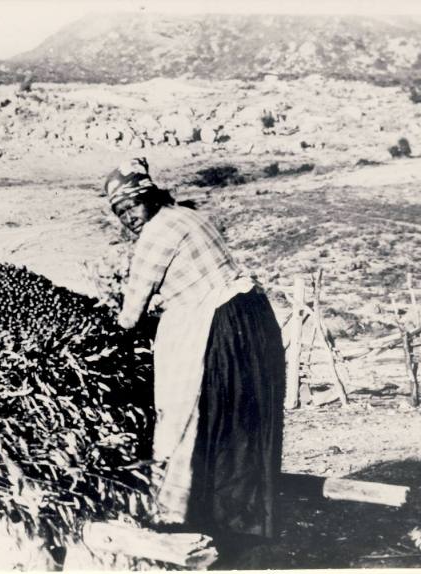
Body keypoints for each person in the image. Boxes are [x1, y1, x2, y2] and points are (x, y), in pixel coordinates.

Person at [104, 157, 286, 559]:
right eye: (120, 212)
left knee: (209, 420)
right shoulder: (187, 215)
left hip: (221, 325)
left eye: (133, 205)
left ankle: (204, 524)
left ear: (149, 197)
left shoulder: (156, 232)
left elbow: (130, 315)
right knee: (245, 425)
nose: (129, 217)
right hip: (253, 317)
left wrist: (109, 332)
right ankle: (250, 525)